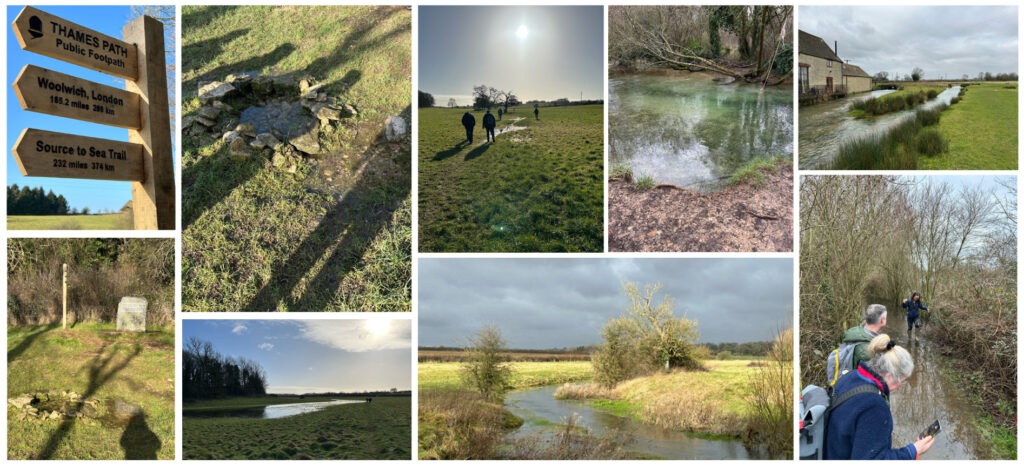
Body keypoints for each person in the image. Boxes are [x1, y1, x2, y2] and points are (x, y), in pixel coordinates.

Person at [826, 334, 935, 460]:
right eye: (901, 380)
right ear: (889, 375)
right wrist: (913, 451)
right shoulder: (874, 406)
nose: (900, 385)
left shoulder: (851, 377)